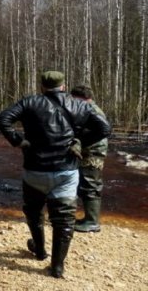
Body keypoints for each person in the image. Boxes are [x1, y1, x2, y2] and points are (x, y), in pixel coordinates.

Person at [0, 71, 111, 278]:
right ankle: (57, 267)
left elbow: (3, 118)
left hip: (35, 169)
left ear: (42, 86)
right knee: (64, 221)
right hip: (66, 171)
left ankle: (39, 251)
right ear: (63, 85)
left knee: (34, 213)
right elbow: (104, 128)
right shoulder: (80, 105)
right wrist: (80, 141)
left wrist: (17, 140)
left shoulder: (30, 102)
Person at [70, 85, 108, 233]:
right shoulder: (89, 108)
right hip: (90, 151)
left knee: (91, 185)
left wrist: (81, 142)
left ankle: (92, 222)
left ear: (80, 98)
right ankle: (89, 219)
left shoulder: (90, 110)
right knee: (87, 184)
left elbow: (103, 131)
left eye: (73, 99)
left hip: (93, 153)